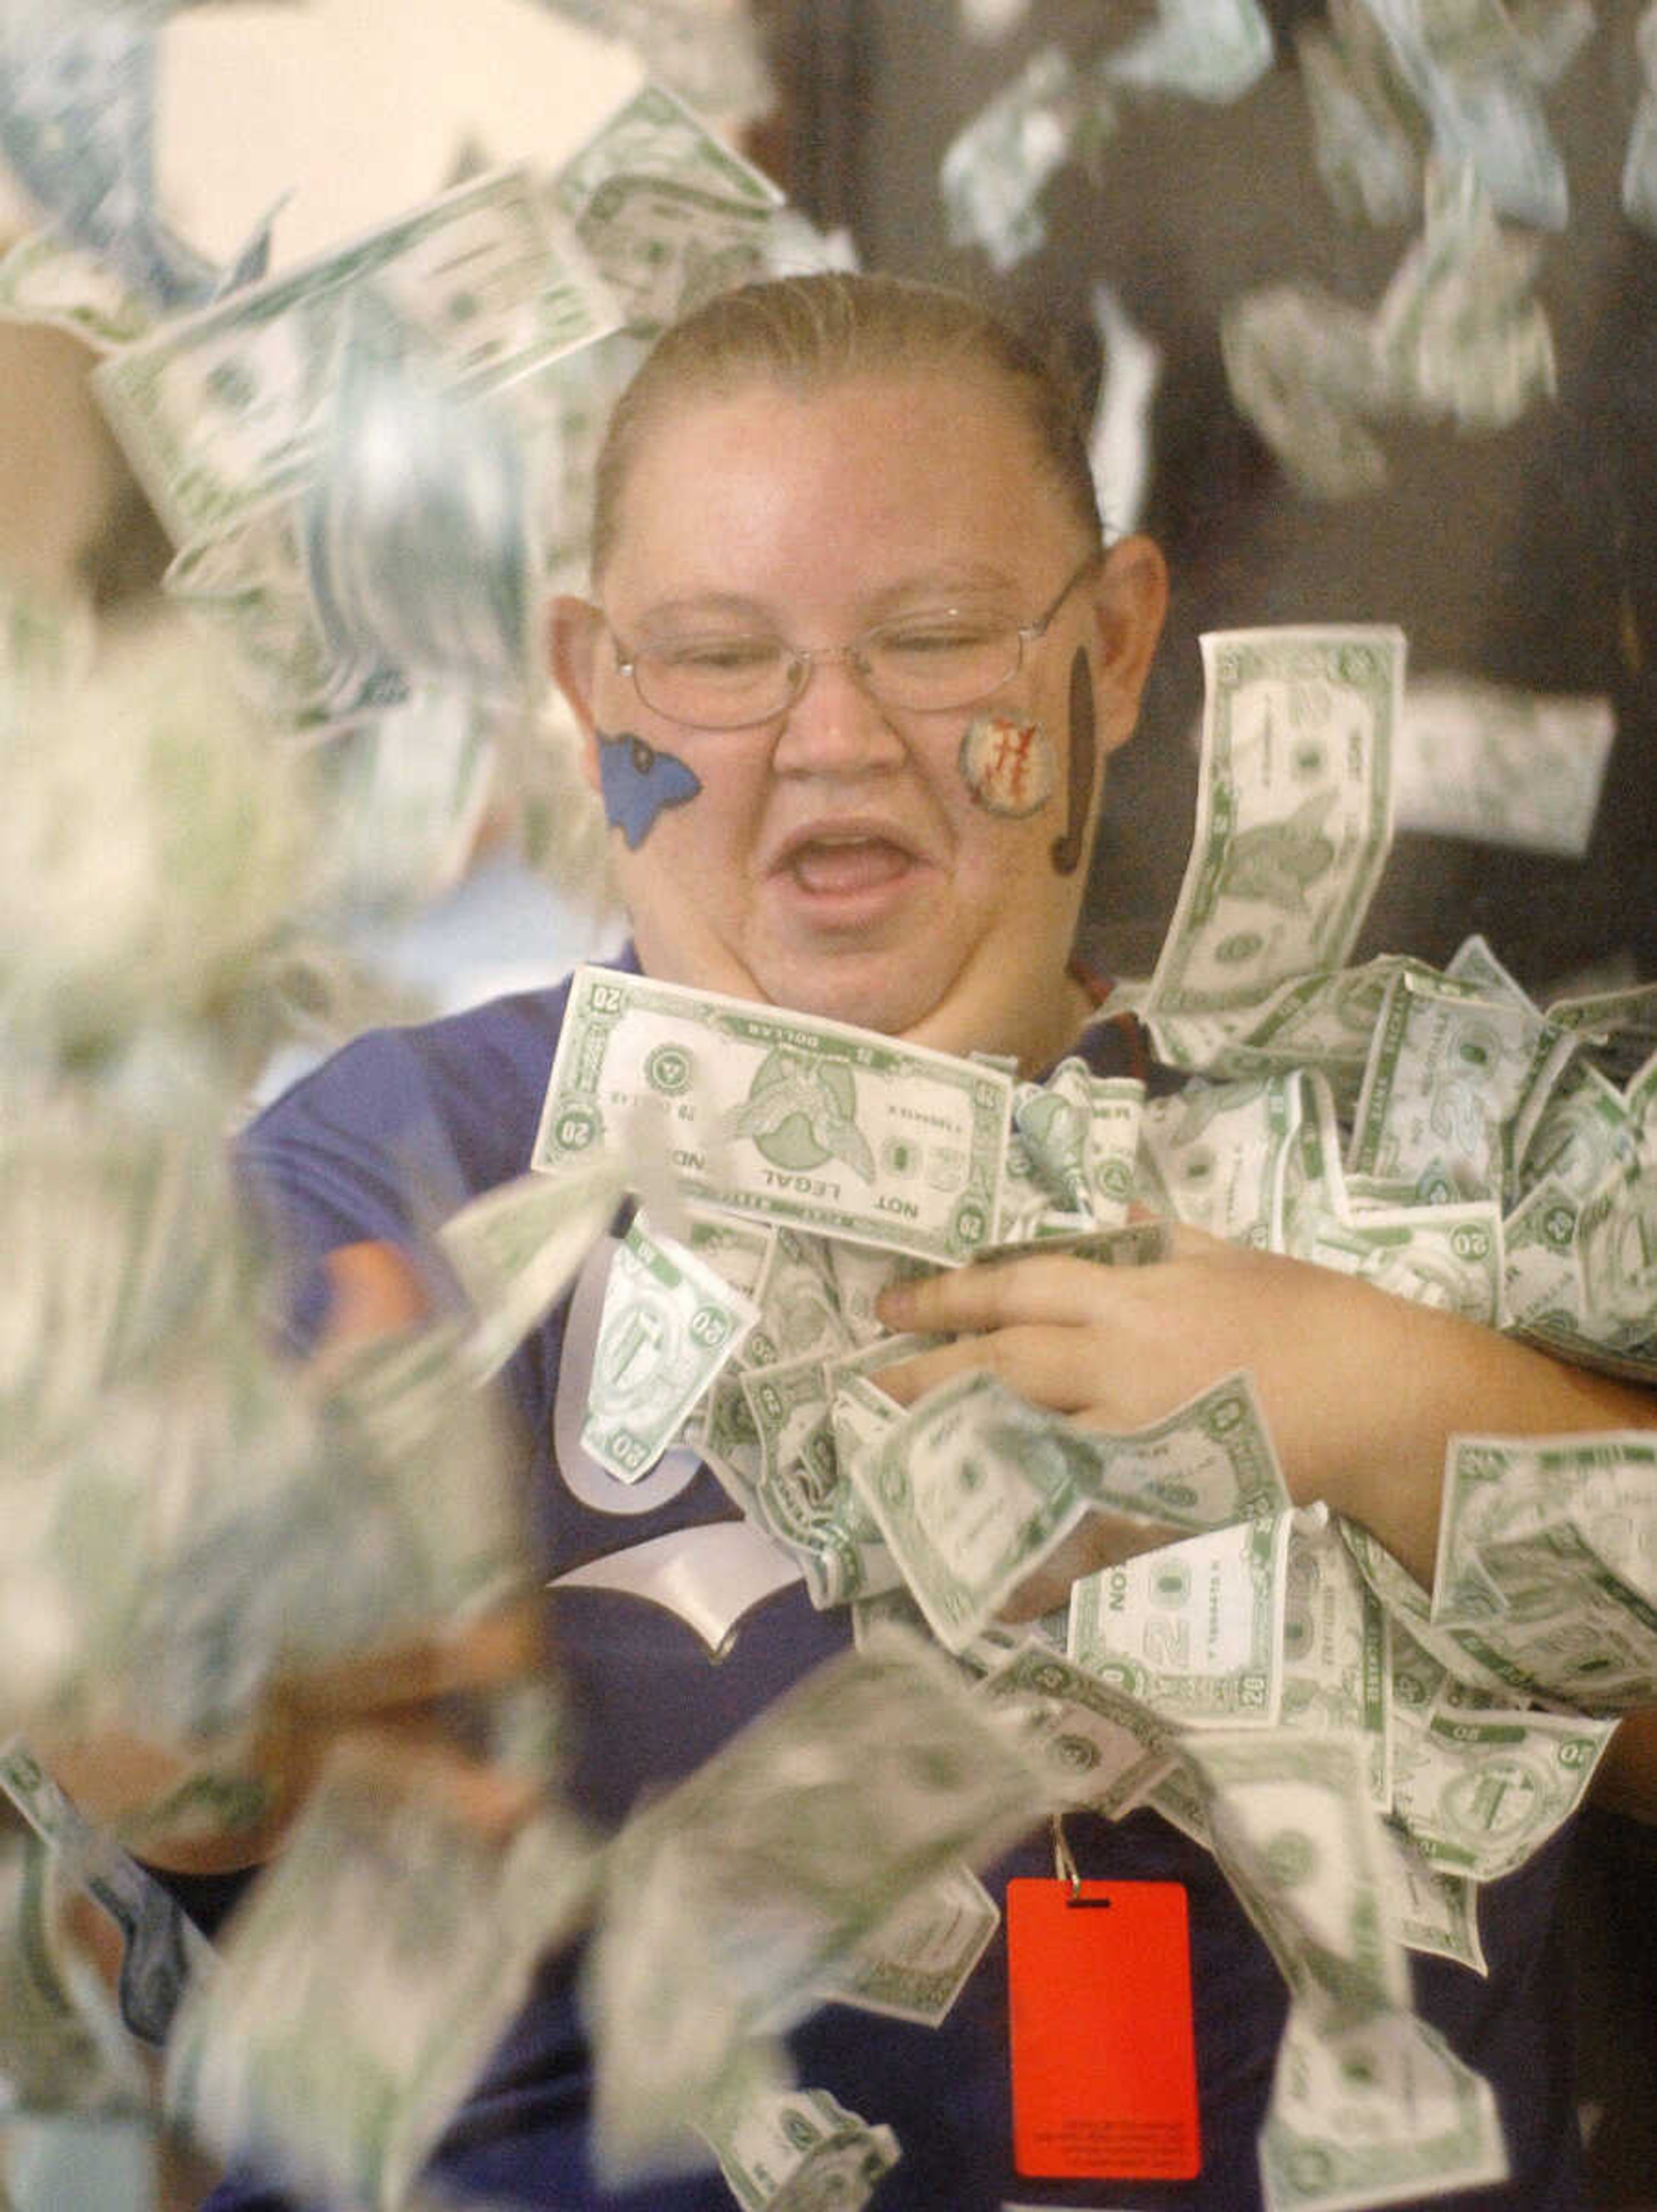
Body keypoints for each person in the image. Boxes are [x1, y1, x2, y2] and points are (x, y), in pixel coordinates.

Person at [198, 272, 1652, 2210]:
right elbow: (158, 1759)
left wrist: (1377, 1394)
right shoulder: (398, 1177)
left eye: (939, 637)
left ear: (1117, 647)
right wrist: (190, 1682)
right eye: (718, 658)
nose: (832, 737)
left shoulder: (1421, 1166)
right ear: (592, 690)